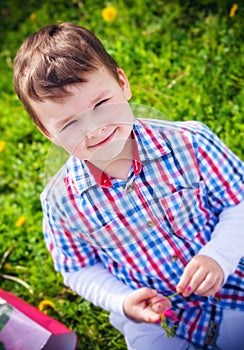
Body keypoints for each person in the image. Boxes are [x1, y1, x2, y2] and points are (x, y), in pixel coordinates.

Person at [13, 22, 244, 350]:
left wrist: (220, 255)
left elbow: (240, 201)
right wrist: (122, 300)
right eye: (70, 123)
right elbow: (78, 268)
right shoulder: (62, 201)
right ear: (47, 132)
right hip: (149, 311)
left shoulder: (190, 143)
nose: (94, 128)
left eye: (101, 104)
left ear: (122, 83)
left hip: (231, 277)